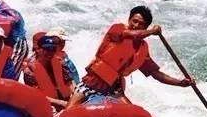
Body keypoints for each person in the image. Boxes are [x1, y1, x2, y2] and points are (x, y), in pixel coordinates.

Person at [65, 6, 194, 108]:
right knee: (68, 112)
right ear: (129, 20)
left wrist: (180, 83)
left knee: (135, 116)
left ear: (146, 26)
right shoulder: (118, 30)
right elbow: (133, 34)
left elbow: (156, 74)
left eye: (141, 24)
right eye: (134, 21)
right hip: (91, 84)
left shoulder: (143, 49)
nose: (136, 25)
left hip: (114, 89)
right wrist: (152, 32)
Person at [23, 36, 76, 110]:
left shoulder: (61, 63)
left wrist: (74, 99)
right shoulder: (29, 72)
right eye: (47, 49)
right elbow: (36, 96)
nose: (50, 52)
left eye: (53, 49)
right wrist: (62, 103)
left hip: (66, 102)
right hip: (46, 105)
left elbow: (70, 83)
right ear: (38, 49)